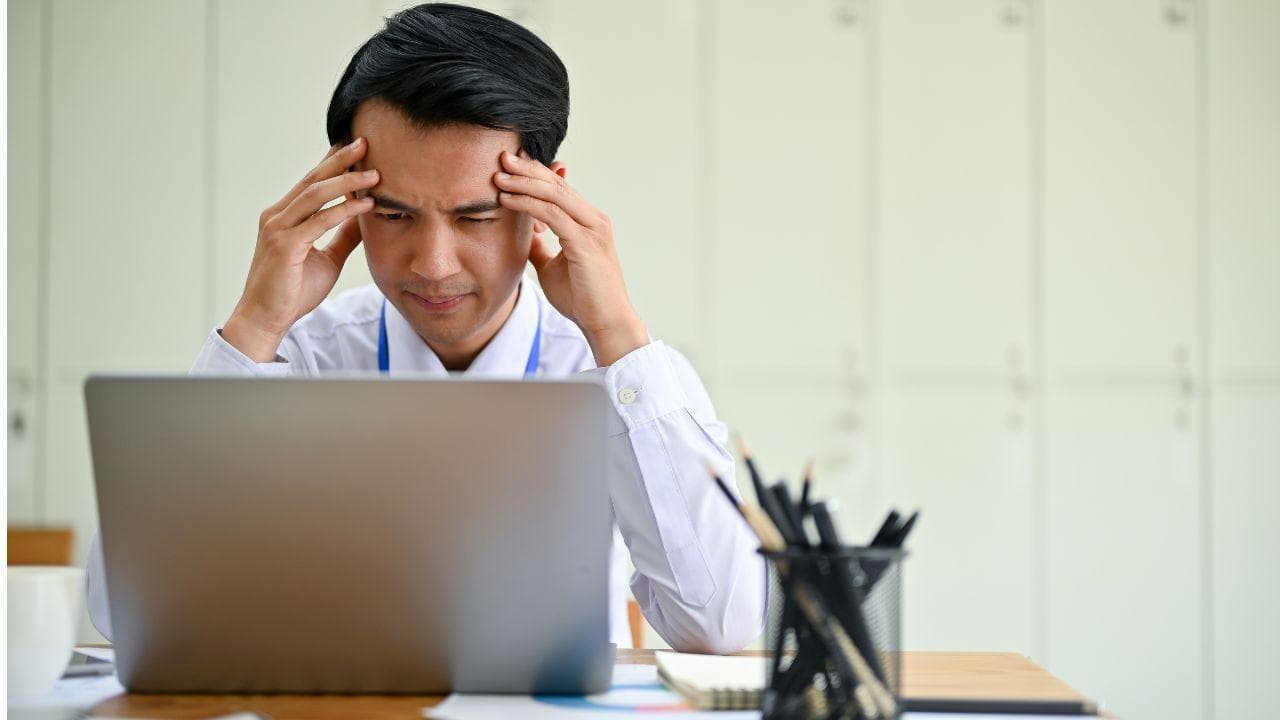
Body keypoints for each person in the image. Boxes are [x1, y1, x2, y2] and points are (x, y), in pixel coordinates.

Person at [86, 2, 763, 654]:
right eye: (393, 215)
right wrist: (254, 327)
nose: (433, 265)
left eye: (475, 217)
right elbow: (126, 614)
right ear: (347, 197)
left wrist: (614, 331)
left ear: (546, 200)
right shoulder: (297, 361)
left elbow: (720, 625)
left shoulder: (621, 377)